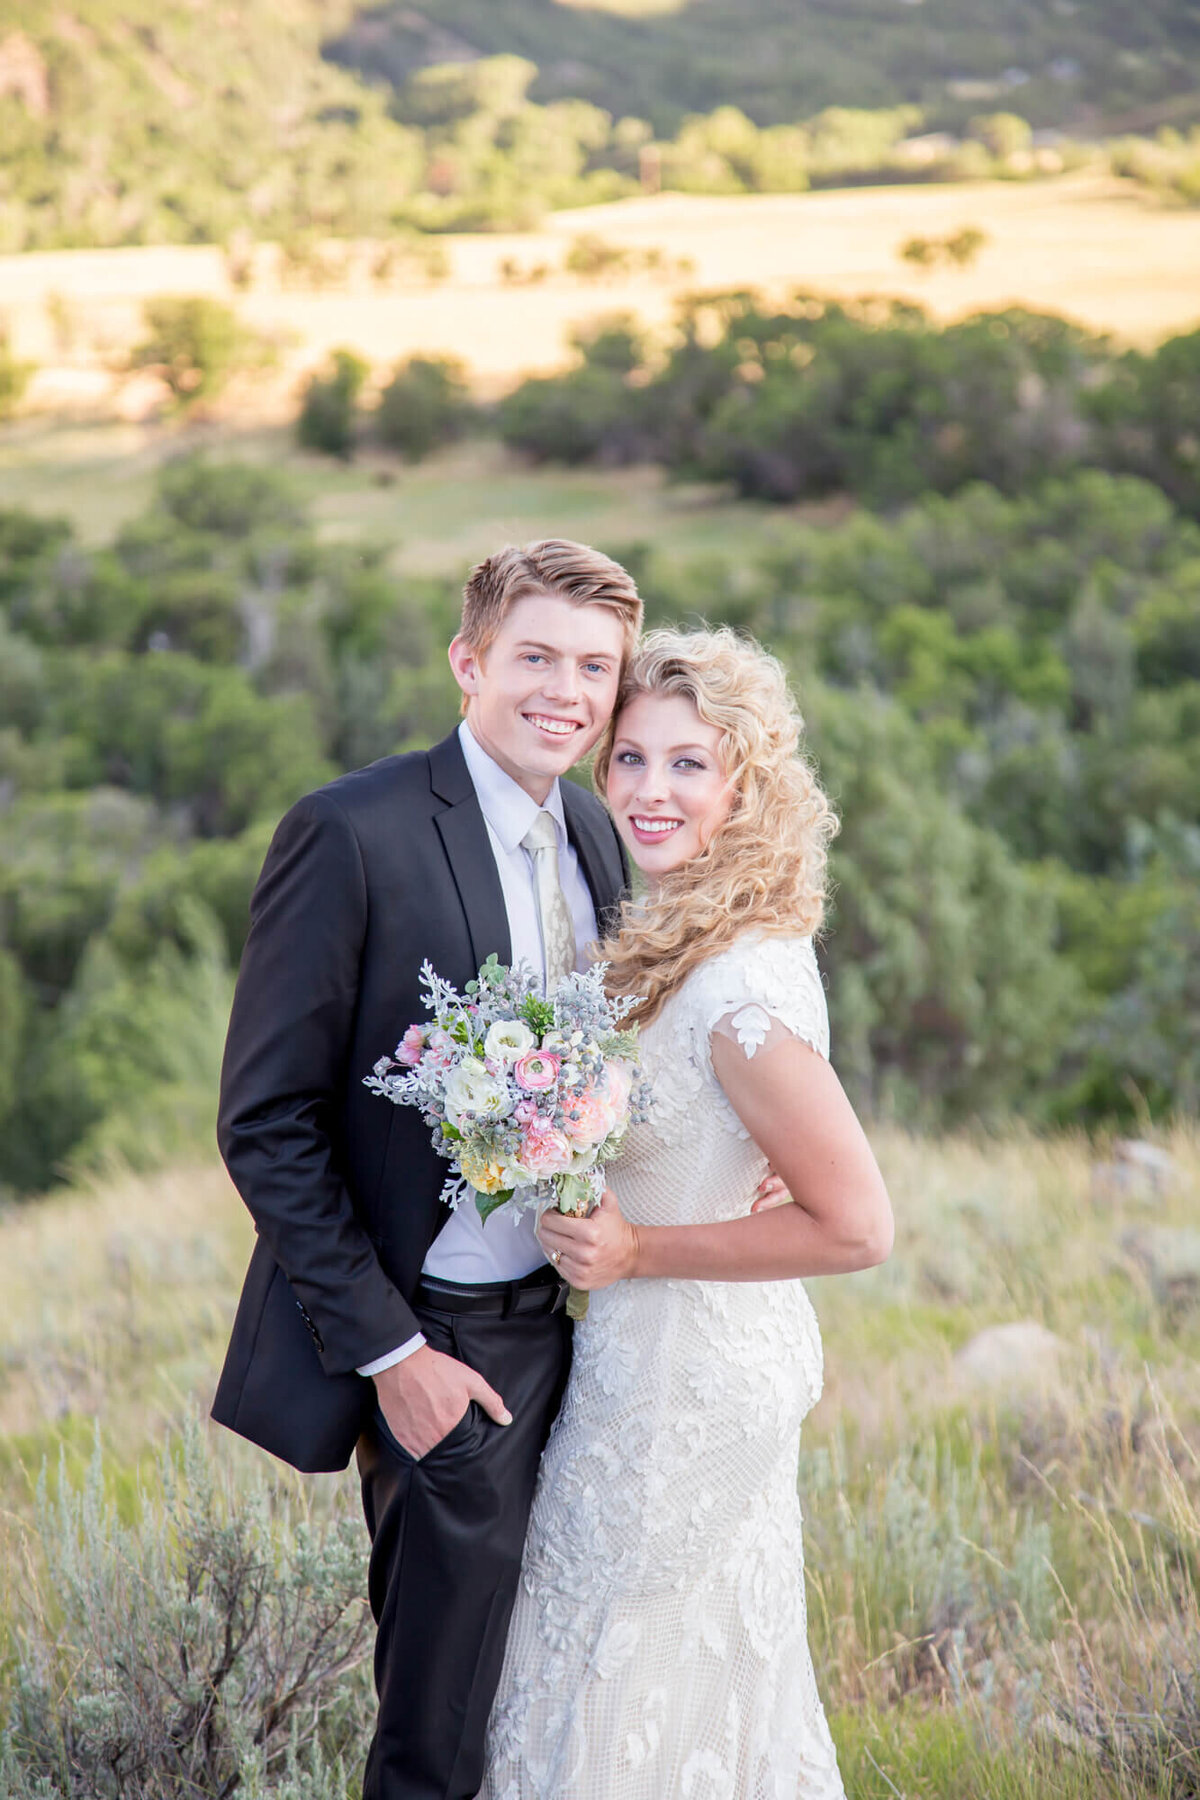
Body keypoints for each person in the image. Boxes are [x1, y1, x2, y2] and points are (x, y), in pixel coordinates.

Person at [212, 540, 645, 1800]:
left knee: (541, 1707)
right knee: (437, 1740)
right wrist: (395, 1360)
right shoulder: (352, 831)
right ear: (469, 662)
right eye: (536, 658)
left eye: (596, 667)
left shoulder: (600, 839)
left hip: (586, 1334)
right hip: (444, 1343)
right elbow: (267, 1120)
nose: (567, 690)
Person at [484, 627, 894, 1800]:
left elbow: (858, 1224)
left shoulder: (731, 977)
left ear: (744, 785)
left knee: (620, 1686)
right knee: (625, 1674)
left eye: (688, 765)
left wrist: (636, 1247)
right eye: (631, 760)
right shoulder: (680, 926)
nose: (648, 793)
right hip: (638, 1359)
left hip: (688, 1383)